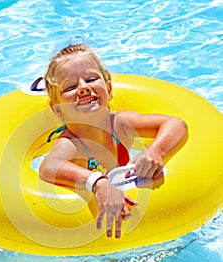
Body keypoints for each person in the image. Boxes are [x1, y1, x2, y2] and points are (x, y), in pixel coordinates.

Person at [39, 43, 188, 239]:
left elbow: (176, 124)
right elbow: (48, 167)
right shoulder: (70, 144)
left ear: (108, 89)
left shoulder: (120, 124)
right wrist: (98, 183)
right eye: (71, 86)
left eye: (91, 79)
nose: (83, 88)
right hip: (88, 231)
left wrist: (154, 151)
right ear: (58, 109)